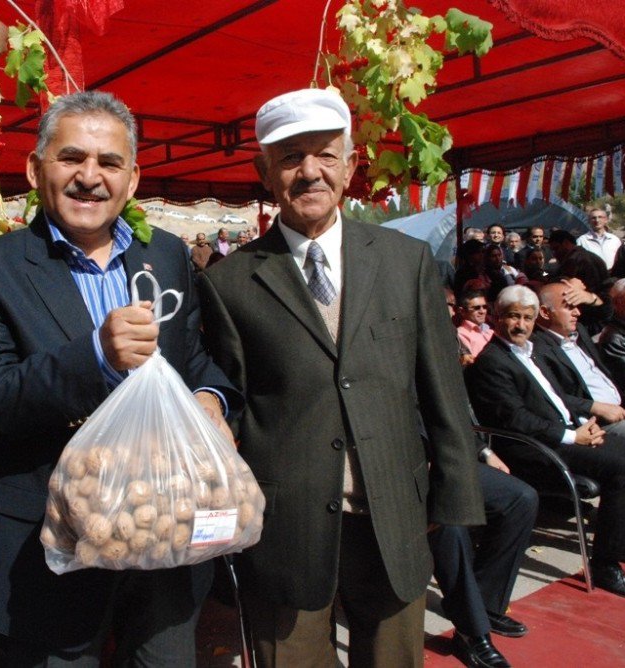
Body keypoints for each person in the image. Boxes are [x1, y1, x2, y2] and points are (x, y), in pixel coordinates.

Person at [0, 90, 240, 664]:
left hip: (164, 536)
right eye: (71, 158)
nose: (90, 177)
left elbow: (194, 361)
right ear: (35, 169)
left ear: (132, 179)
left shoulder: (169, 256)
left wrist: (210, 398)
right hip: (47, 549)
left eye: (109, 163)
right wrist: (96, 357)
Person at [198, 87, 483, 667]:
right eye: (290, 157)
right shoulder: (230, 283)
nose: (310, 173)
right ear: (263, 171)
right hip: (287, 527)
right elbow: (229, 400)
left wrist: (454, 495)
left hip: (395, 516)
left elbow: (442, 389)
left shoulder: (406, 262)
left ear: (350, 167)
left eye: (326, 155)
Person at [465, 285, 625, 601]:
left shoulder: (533, 352)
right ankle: (606, 565)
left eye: (528, 318)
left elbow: (558, 398)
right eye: (513, 317)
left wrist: (585, 423)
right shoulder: (493, 362)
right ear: (496, 317)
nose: (520, 325)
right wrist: (575, 436)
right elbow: (517, 419)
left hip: (568, 433)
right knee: (624, 471)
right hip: (532, 448)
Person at [430, 434, 537, 668]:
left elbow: (444, 409)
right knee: (448, 521)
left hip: (442, 456)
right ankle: (472, 631)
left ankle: (482, 606)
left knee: (520, 498)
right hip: (390, 464)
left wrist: (484, 452)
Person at [532, 282, 625, 450]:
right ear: (545, 312)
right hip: (599, 422)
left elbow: (605, 312)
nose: (577, 312)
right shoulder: (536, 349)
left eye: (578, 306)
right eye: (569, 307)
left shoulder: (578, 331)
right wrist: (595, 407)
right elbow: (548, 396)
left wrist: (591, 298)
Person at [576, 206, 621, 270]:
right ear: (589, 221)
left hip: (614, 276)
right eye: (593, 218)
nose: (597, 220)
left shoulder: (615, 240)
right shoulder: (582, 241)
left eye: (600, 217)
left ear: (606, 220)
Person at [455, 289, 493, 361]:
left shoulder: (490, 331)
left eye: (485, 307)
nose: (482, 311)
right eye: (476, 308)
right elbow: (470, 362)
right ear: (462, 311)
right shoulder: (460, 334)